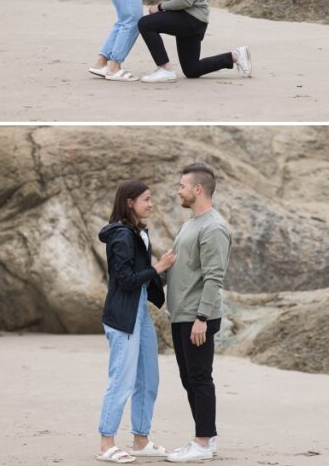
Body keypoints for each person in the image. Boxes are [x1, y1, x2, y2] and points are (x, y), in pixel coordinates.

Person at [95, 180, 178, 463]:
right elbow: (126, 280)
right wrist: (159, 267)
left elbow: (141, 278)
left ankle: (140, 440)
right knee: (121, 379)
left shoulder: (138, 232)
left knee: (148, 378)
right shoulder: (121, 235)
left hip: (140, 314)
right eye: (146, 199)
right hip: (123, 316)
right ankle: (106, 444)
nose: (151, 204)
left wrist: (162, 273)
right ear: (129, 202)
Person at [163, 164, 231, 463]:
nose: (178, 190)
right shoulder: (192, 223)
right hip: (183, 315)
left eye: (182, 186)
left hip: (197, 317)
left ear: (198, 189)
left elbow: (215, 277)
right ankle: (208, 437)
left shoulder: (213, 227)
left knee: (199, 378)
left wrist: (202, 318)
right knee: (189, 378)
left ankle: (202, 442)